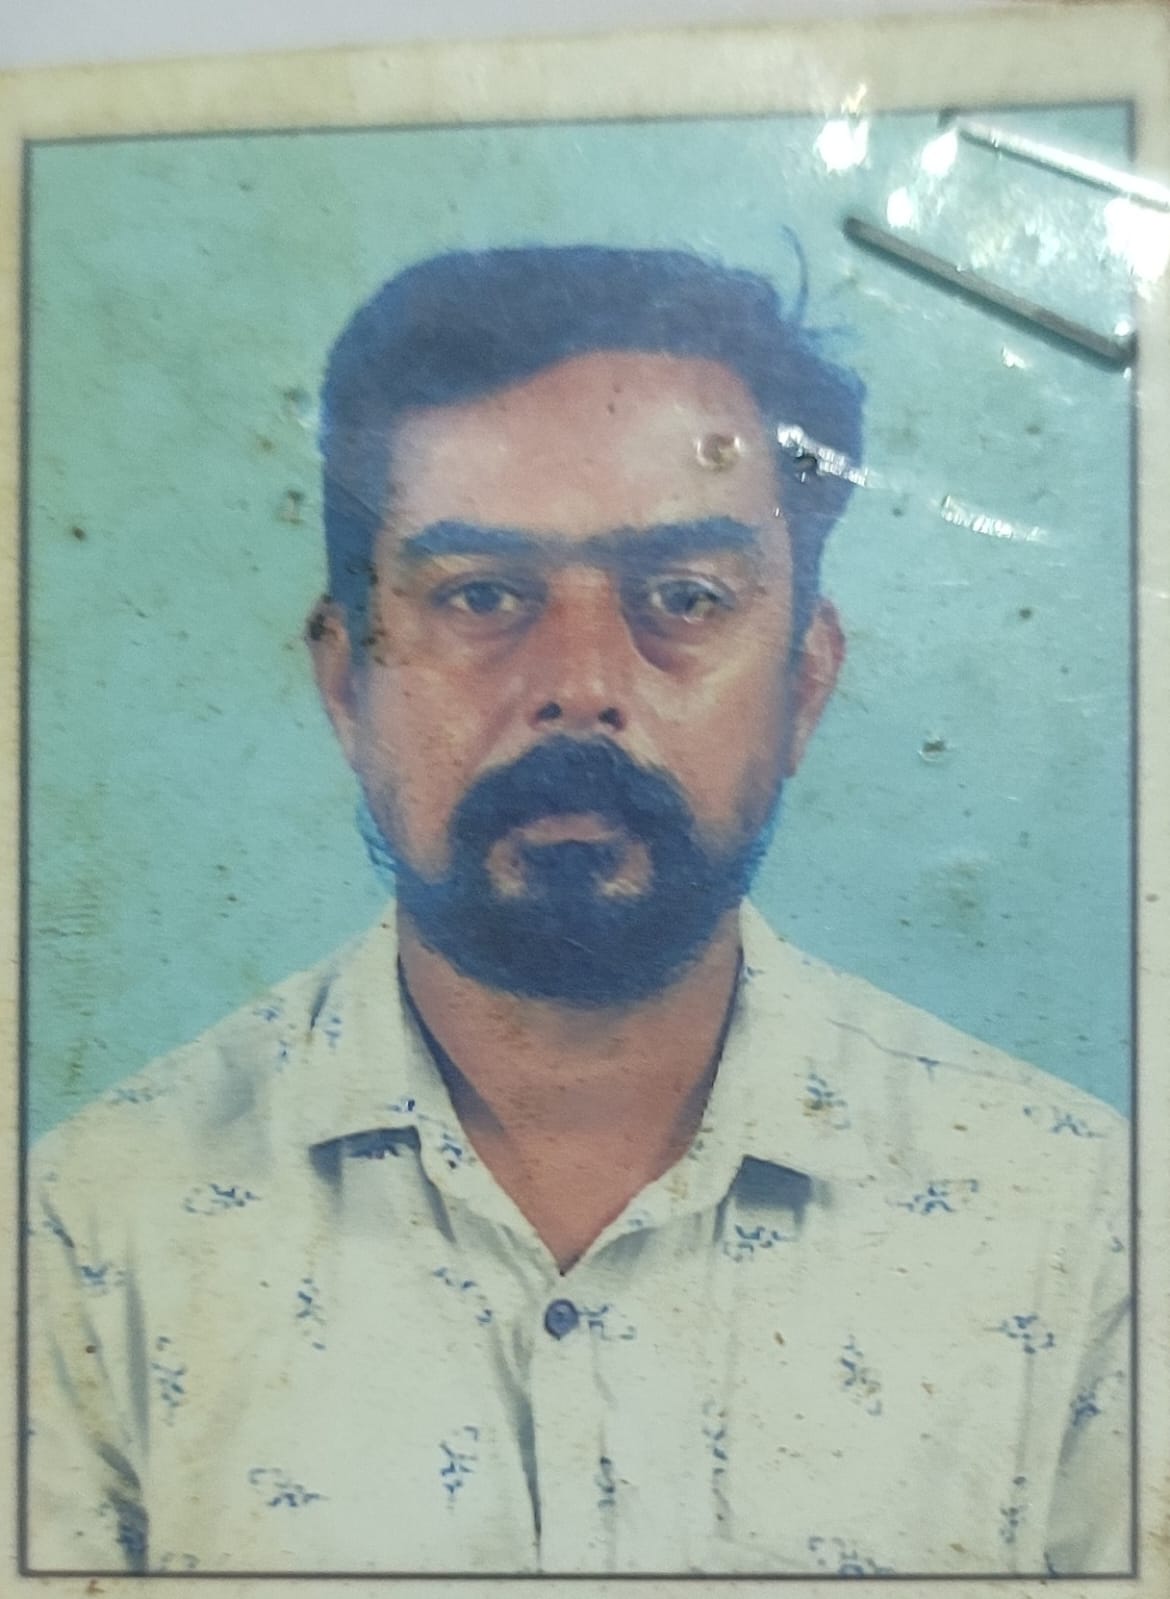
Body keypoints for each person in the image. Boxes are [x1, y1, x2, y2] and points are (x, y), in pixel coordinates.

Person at [27, 246, 1130, 1578]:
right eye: (481, 596)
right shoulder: (84, 1237)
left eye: (683, 600)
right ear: (346, 682)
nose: (581, 684)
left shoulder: (1085, 1229)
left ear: (805, 682)